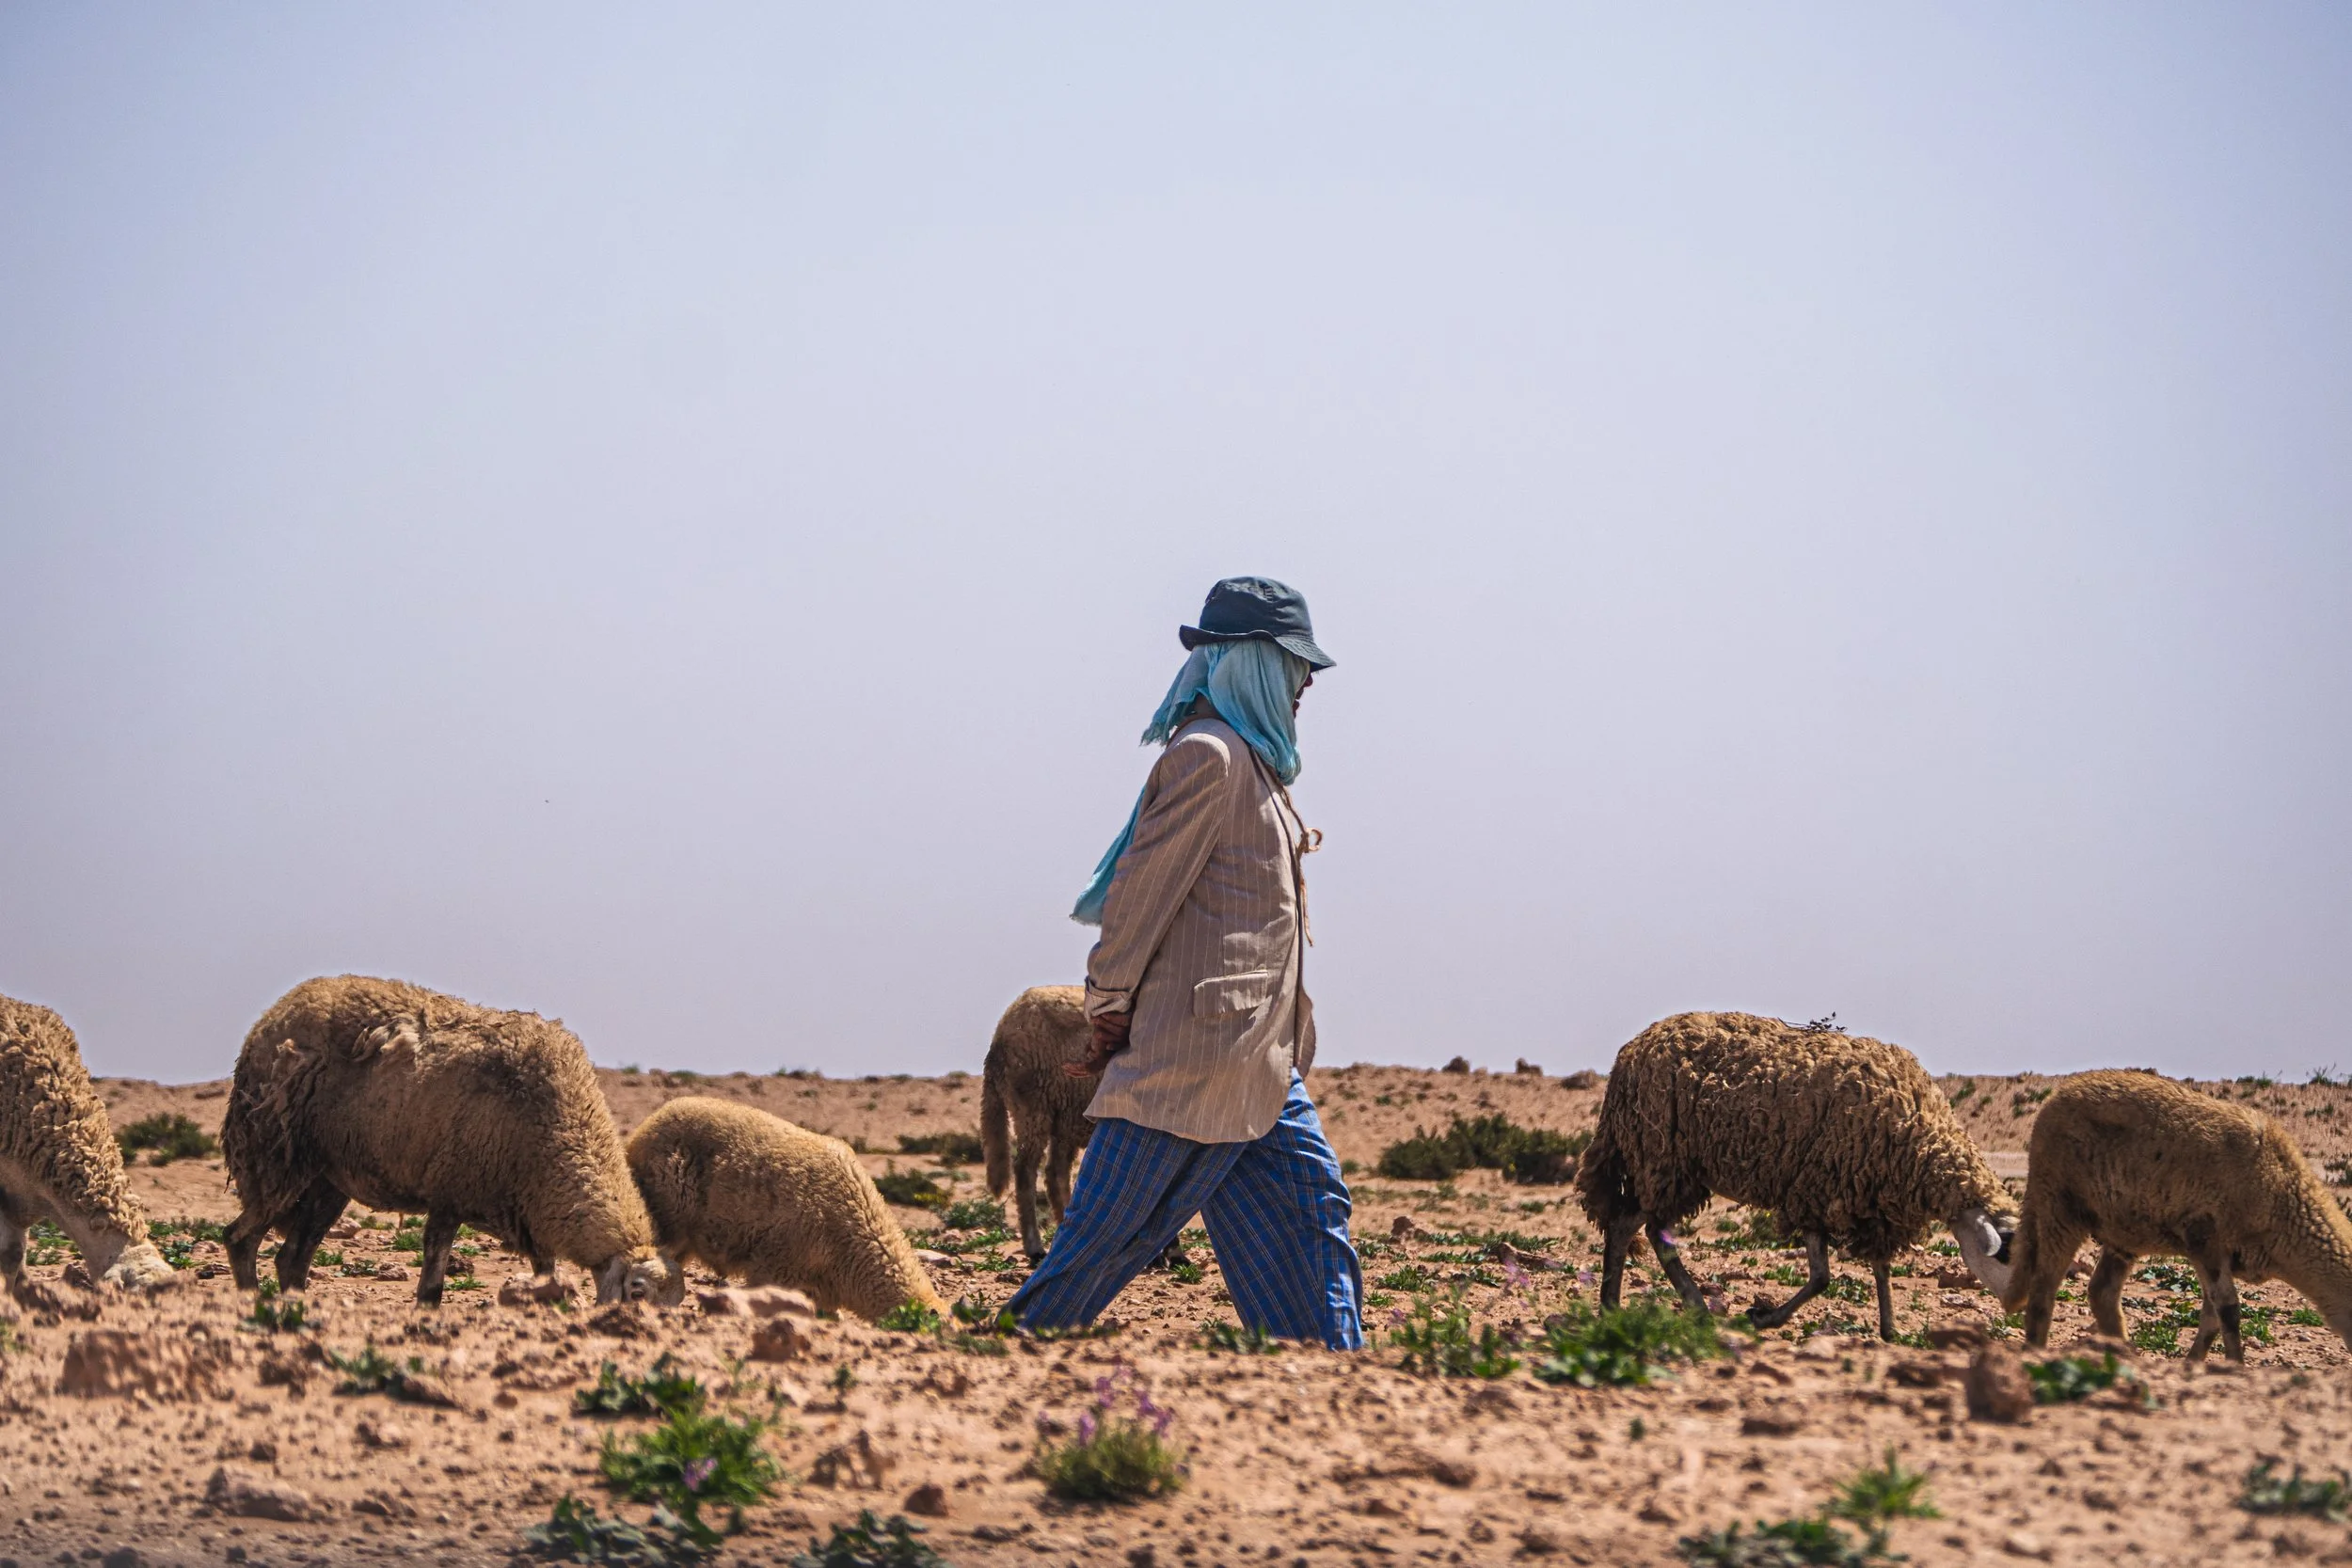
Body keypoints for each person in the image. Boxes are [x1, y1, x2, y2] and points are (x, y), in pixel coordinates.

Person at [1001, 577, 1363, 1349]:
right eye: (1294, 666)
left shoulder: (1255, 763)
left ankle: (1334, 1367)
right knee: (1110, 1237)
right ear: (1250, 662)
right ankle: (1009, 1350)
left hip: (1259, 1061)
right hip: (1191, 1055)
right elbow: (1137, 901)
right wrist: (1106, 1007)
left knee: (1314, 1203)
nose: (1305, 687)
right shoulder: (1208, 757)